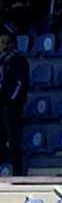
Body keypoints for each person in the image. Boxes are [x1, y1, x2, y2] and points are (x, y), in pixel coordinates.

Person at [0, 33, 28, 174]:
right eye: (2, 43)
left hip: (12, 108)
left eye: (7, 43)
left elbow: (20, 84)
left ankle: (17, 173)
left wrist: (10, 101)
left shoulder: (19, 62)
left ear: (13, 44)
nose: (4, 46)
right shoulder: (1, 62)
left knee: (13, 141)